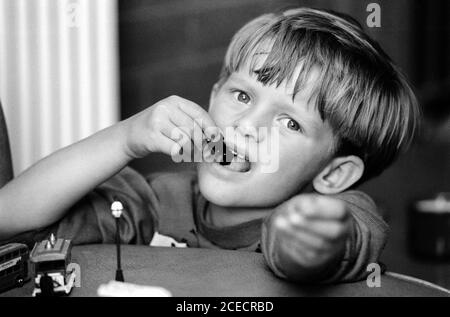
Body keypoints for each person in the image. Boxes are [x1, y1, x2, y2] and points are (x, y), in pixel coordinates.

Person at [0, 8, 419, 283]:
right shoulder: (151, 203)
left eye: (290, 122)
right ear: (213, 93)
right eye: (242, 96)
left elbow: (340, 239)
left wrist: (310, 240)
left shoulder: (342, 215)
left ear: (333, 174)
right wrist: (124, 139)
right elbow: (9, 219)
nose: (247, 125)